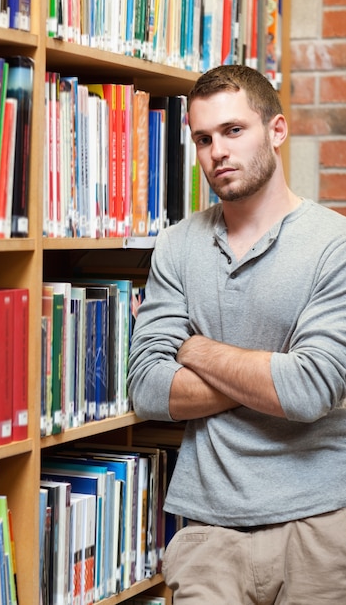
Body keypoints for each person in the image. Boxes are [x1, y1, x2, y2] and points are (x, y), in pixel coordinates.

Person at [127, 64, 346, 604]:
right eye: (203, 139)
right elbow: (150, 388)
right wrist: (273, 373)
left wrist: (193, 347)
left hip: (321, 524)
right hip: (208, 530)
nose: (216, 151)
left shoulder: (334, 245)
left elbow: (312, 388)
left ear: (276, 131)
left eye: (233, 131)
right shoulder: (177, 245)